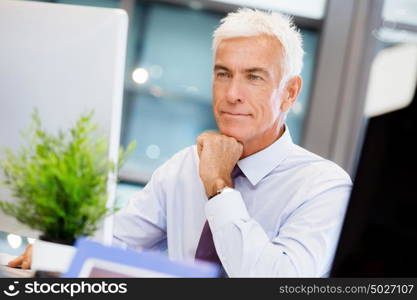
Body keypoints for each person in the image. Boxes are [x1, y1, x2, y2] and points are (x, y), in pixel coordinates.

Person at [9, 8, 351, 277]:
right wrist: (56, 253)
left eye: (254, 77)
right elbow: (114, 242)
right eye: (223, 74)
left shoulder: (323, 187)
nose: (232, 94)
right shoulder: (183, 166)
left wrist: (219, 186)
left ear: (289, 92)